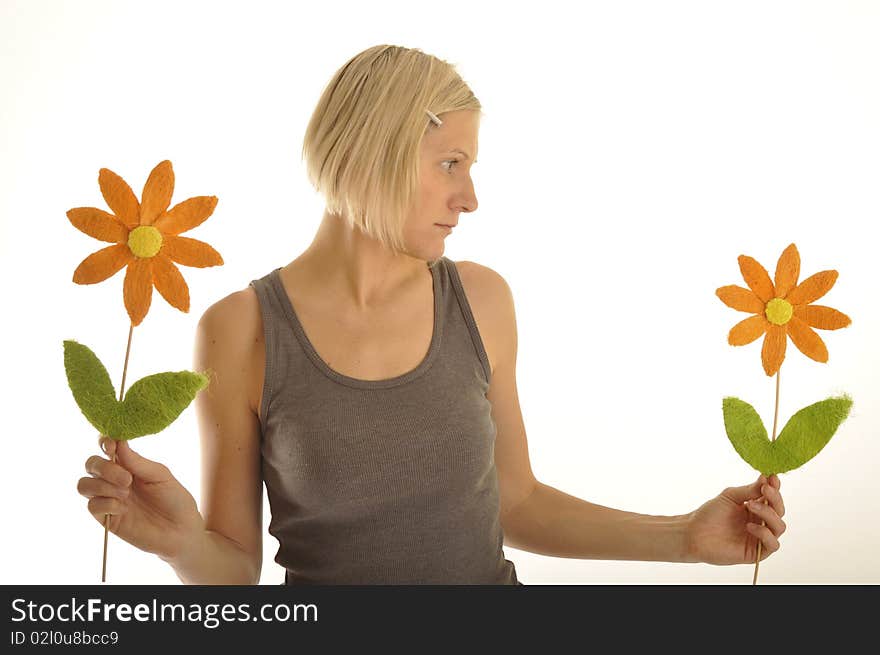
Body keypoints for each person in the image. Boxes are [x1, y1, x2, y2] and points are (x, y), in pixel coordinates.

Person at [77, 44, 786, 585]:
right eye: (451, 162)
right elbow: (235, 568)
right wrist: (178, 542)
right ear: (371, 153)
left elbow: (518, 500)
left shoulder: (481, 302)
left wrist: (685, 536)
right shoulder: (241, 329)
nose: (469, 196)